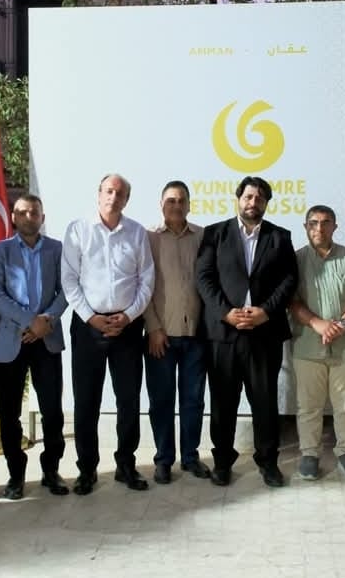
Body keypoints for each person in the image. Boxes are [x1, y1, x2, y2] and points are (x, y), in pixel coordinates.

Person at [196, 176, 298, 487]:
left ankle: (268, 462)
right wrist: (226, 313)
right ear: (239, 199)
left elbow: (289, 280)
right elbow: (204, 278)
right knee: (223, 403)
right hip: (223, 335)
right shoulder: (215, 233)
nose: (253, 203)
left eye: (260, 198)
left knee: (264, 402)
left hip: (264, 334)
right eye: (249, 197)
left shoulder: (280, 237)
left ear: (266, 203)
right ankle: (222, 462)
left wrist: (265, 312)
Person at [62, 174, 155, 495]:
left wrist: (129, 316)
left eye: (120, 193)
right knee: (86, 401)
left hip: (127, 327)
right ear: (99, 193)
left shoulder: (137, 233)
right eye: (109, 191)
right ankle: (87, 469)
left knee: (128, 399)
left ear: (126, 200)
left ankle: (126, 465)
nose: (113, 197)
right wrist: (92, 318)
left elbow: (146, 280)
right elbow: (69, 280)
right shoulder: (78, 230)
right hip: (88, 326)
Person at [0, 193, 69, 499]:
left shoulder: (57, 249)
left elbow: (67, 290)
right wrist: (28, 321)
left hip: (46, 339)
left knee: (52, 411)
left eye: (34, 212)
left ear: (42, 218)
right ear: (13, 217)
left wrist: (45, 320)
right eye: (22, 212)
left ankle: (51, 470)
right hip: (12, 339)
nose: (28, 217)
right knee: (9, 413)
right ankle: (16, 474)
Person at [287, 204, 345, 482]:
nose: (319, 228)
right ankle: (309, 454)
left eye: (325, 223)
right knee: (308, 406)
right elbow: (291, 301)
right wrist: (317, 323)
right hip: (307, 346)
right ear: (305, 227)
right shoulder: (295, 260)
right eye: (313, 223)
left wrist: (341, 324)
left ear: (335, 227)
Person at [143, 180, 211, 484]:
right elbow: (142, 286)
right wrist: (153, 327)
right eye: (171, 200)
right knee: (161, 400)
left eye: (182, 200)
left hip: (196, 334)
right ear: (161, 204)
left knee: (193, 401)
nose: (176, 205)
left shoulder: (203, 237)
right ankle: (163, 459)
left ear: (189, 205)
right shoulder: (148, 238)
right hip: (161, 335)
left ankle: (190, 457)